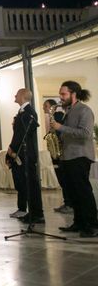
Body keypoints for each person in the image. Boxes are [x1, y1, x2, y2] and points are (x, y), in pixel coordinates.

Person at [52, 81, 98, 238]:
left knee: (83, 192)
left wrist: (61, 128)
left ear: (74, 94)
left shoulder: (84, 110)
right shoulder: (69, 111)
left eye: (63, 94)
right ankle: (79, 222)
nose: (60, 97)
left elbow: (85, 133)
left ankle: (91, 225)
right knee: (73, 192)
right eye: (60, 93)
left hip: (80, 156)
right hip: (68, 156)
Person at [5, 88, 44, 224]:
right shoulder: (22, 113)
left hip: (25, 155)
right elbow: (18, 134)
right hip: (19, 153)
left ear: (22, 96)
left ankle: (36, 214)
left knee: (30, 184)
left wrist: (12, 150)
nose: (14, 95)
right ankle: (24, 209)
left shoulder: (29, 113)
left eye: (17, 94)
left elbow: (23, 136)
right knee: (21, 182)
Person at [42, 99, 73, 214]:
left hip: (61, 151)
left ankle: (70, 204)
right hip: (57, 151)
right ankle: (67, 202)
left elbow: (60, 131)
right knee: (61, 179)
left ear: (51, 107)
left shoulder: (58, 115)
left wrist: (55, 138)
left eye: (45, 105)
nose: (43, 107)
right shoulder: (53, 116)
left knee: (64, 179)